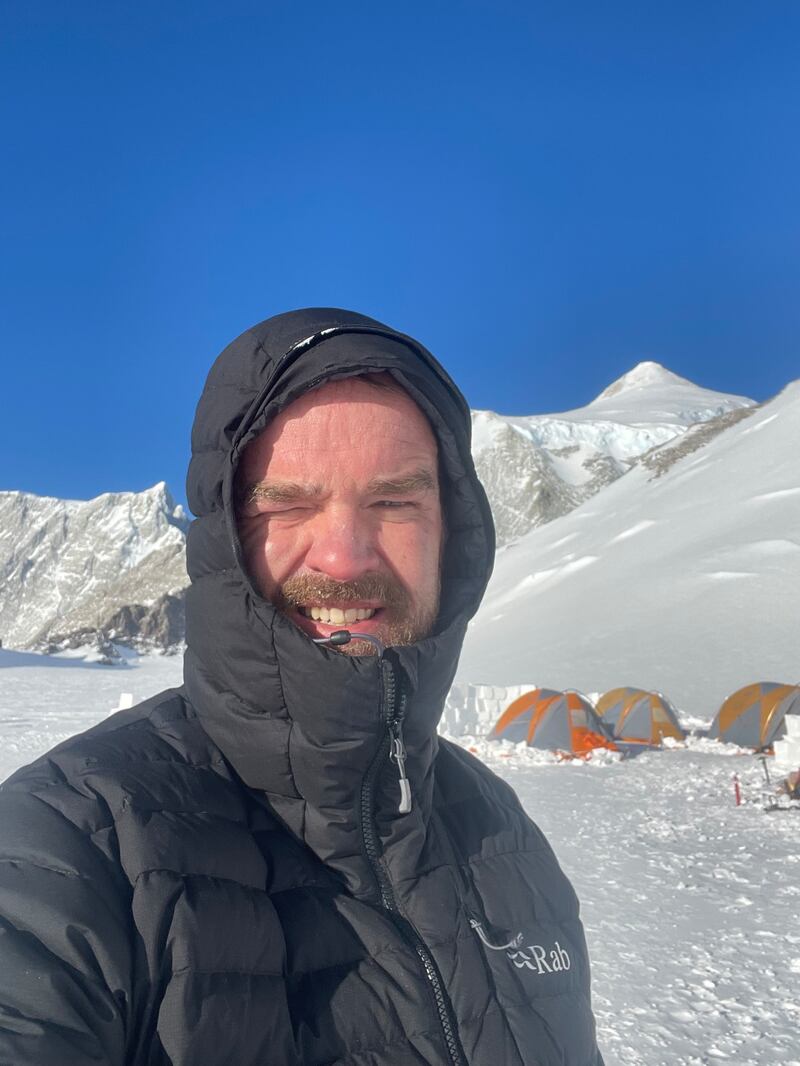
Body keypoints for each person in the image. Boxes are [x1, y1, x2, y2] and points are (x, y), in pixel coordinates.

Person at [0, 308, 604, 1065]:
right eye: (286, 504)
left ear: (455, 536)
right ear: (224, 542)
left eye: (393, 502)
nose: (345, 558)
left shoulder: (501, 834)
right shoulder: (71, 847)